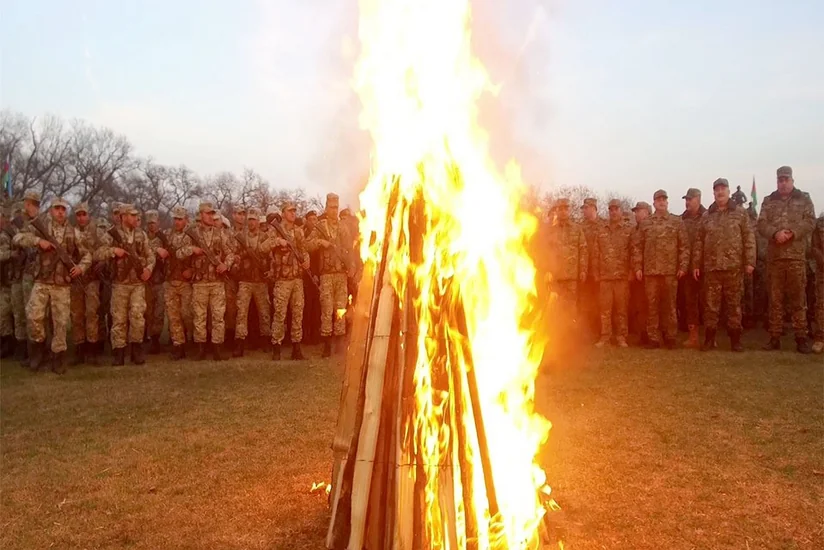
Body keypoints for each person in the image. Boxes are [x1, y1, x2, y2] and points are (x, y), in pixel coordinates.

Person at [13, 197, 91, 373]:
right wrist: (37, 241)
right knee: (33, 317)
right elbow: (18, 237)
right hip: (41, 281)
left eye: (63, 209)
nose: (60, 212)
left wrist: (80, 268)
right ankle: (38, 352)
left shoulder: (73, 233)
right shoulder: (40, 227)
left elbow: (87, 255)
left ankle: (58, 358)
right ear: (51, 211)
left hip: (62, 285)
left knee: (61, 323)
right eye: (57, 209)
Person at [691, 178, 756, 351]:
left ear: (728, 191)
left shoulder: (740, 213)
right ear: (713, 193)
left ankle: (735, 340)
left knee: (734, 306)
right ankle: (710, 339)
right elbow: (699, 241)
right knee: (711, 306)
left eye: (723, 189)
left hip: (733, 267)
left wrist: (750, 261)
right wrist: (696, 264)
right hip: (712, 268)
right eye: (717, 189)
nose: (720, 192)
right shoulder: (707, 216)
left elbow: (749, 238)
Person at [757, 166, 816, 353]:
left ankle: (801, 337)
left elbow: (810, 221)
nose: (783, 183)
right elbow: (761, 224)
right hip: (775, 258)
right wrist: (775, 233)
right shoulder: (768, 201)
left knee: (798, 300)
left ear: (792, 180)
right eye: (780, 180)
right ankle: (774, 337)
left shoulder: (804, 199)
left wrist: (793, 233)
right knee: (775, 299)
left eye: (786, 180)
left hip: (796, 258)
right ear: (777, 181)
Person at [96, 204, 155, 365]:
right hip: (119, 284)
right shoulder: (111, 235)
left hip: (137, 283)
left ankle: (136, 351)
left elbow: (150, 256)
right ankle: (119, 352)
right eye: (132, 215)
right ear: (123, 217)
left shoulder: (141, 234)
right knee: (119, 318)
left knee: (137, 316)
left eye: (136, 215)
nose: (136, 218)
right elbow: (98, 253)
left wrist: (148, 269)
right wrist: (113, 251)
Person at [176, 202, 235, 360]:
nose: (211, 216)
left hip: (217, 282)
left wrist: (225, 265)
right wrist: (192, 250)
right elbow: (179, 254)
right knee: (199, 316)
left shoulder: (220, 233)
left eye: (212, 214)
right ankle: (200, 348)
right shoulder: (191, 233)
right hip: (200, 283)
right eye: (208, 213)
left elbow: (230, 253)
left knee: (218, 316)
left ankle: (217, 349)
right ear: (201, 215)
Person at [632, 189, 689, 349]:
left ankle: (670, 337)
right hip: (650, 273)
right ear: (654, 203)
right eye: (658, 200)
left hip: (670, 272)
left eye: (664, 199)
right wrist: (637, 267)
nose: (661, 202)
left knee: (670, 306)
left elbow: (684, 246)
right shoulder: (646, 224)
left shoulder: (676, 222)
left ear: (667, 202)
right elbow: (637, 247)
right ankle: (653, 338)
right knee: (652, 306)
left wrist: (683, 266)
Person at [306, 193, 353, 357]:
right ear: (326, 208)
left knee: (340, 309)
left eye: (336, 207)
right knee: (326, 310)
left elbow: (349, 249)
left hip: (341, 274)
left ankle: (339, 343)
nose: (334, 210)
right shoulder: (320, 227)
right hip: (326, 275)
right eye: (332, 207)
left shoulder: (343, 227)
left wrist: (350, 265)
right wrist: (320, 242)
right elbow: (307, 245)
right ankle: (326, 345)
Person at [265, 202, 310, 359]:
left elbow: (304, 250)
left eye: (294, 211)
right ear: (283, 213)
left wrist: (306, 261)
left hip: (297, 279)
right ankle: (276, 346)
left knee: (298, 313)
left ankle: (296, 348)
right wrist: (279, 241)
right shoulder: (275, 229)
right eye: (289, 211)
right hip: (282, 280)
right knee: (279, 314)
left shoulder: (298, 231)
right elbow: (263, 247)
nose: (293, 213)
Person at [538, 198, 588, 333]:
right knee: (554, 307)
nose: (563, 211)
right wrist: (547, 270)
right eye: (560, 209)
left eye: (566, 208)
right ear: (557, 211)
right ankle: (555, 337)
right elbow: (545, 252)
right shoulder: (551, 231)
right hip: (555, 277)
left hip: (571, 276)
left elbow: (583, 249)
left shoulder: (577, 229)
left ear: (569, 210)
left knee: (571, 307)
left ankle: (570, 336)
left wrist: (583, 270)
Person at [70, 201, 106, 365]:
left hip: (91, 279)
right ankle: (79, 348)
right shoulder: (71, 232)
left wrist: (100, 260)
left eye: (84, 214)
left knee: (92, 314)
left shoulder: (97, 232)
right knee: (77, 314)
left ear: (88, 215)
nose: (82, 217)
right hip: (76, 280)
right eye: (78, 215)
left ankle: (92, 349)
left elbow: (106, 249)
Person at [233, 207, 272, 357]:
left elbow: (270, 257)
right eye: (249, 219)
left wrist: (268, 270)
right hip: (245, 280)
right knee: (241, 312)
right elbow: (234, 254)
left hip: (260, 280)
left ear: (258, 220)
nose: (251, 222)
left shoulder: (264, 237)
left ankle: (265, 340)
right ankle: (240, 343)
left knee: (264, 312)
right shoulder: (240, 236)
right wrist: (241, 258)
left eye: (254, 220)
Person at [595, 199, 632, 347]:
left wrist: (631, 271)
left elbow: (633, 251)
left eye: (616, 209)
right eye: (611, 209)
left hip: (622, 277)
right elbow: (596, 252)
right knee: (605, 309)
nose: (613, 212)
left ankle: (621, 337)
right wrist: (596, 272)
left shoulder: (628, 230)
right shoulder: (601, 230)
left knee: (621, 309)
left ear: (621, 211)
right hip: (605, 277)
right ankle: (605, 336)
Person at [164, 206, 194, 360]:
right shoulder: (167, 235)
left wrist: (192, 271)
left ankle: (192, 339)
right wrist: (158, 250)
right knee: (173, 315)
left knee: (187, 313)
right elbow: (150, 245)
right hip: (170, 280)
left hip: (186, 282)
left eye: (180, 219)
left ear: (186, 220)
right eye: (175, 219)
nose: (177, 222)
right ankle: (178, 345)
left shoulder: (192, 235)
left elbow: (201, 257)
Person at [680, 188, 706, 347]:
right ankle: (693, 336)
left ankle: (711, 336)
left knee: (708, 303)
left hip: (706, 266)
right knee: (690, 303)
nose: (687, 202)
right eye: (686, 199)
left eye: (690, 199)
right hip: (688, 268)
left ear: (698, 199)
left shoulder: (708, 216)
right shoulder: (681, 219)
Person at [144, 210, 167, 353]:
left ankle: (156, 340)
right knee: (148, 311)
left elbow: (169, 251)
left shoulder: (163, 237)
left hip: (160, 279)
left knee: (159, 312)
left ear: (158, 222)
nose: (152, 225)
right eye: (150, 223)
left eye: (154, 222)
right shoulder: (143, 237)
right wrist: (155, 249)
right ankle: (149, 337)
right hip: (147, 280)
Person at [579, 197, 602, 341]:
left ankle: (601, 332)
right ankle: (588, 332)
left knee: (600, 304)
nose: (584, 211)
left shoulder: (603, 226)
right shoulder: (581, 227)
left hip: (599, 271)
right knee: (586, 303)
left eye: (586, 208)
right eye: (583, 208)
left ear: (593, 208)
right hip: (585, 272)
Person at [302, 210, 321, 345]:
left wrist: (316, 274)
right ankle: (305, 334)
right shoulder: (302, 235)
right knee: (306, 307)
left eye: (315, 219)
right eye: (311, 219)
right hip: (305, 276)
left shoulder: (319, 234)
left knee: (316, 307)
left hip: (317, 275)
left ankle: (315, 334)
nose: (314, 222)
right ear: (306, 221)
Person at [812, 215, 824, 353]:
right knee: (821, 305)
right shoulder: (820, 223)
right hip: (823, 270)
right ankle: (820, 338)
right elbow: (814, 246)